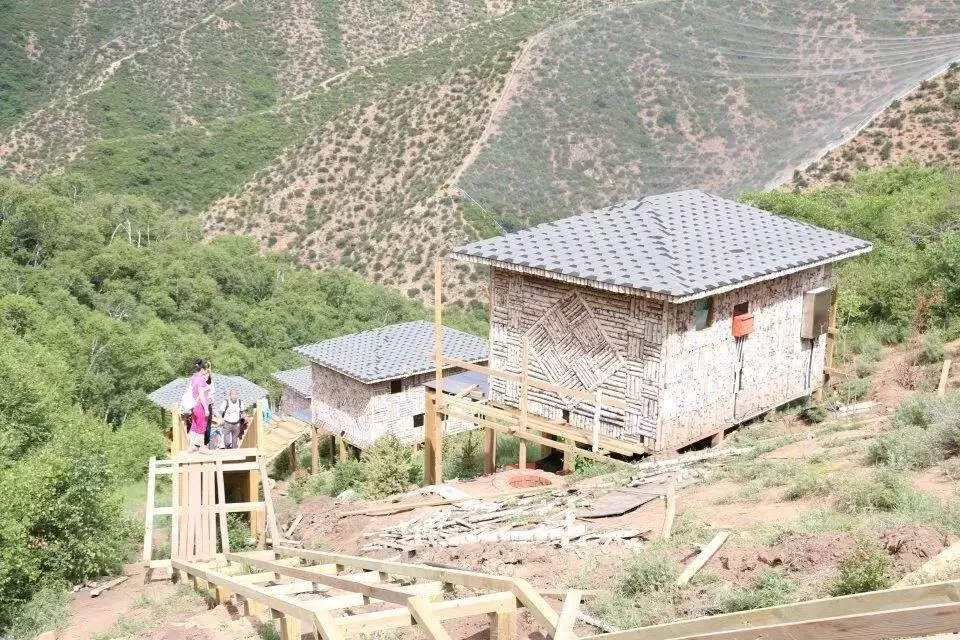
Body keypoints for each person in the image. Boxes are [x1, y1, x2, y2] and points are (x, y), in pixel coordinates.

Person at [186, 360, 212, 453]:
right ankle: (202, 448)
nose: (206, 371)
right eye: (205, 369)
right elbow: (201, 396)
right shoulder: (201, 379)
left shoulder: (193, 378)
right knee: (201, 427)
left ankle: (191, 446)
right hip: (200, 406)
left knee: (194, 425)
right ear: (201, 369)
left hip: (194, 406)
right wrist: (206, 409)